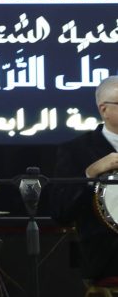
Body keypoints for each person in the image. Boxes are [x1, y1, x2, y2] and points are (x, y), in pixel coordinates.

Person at [50, 76, 118, 280]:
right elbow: (60, 213)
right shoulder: (76, 151)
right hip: (105, 260)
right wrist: (89, 174)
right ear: (104, 110)